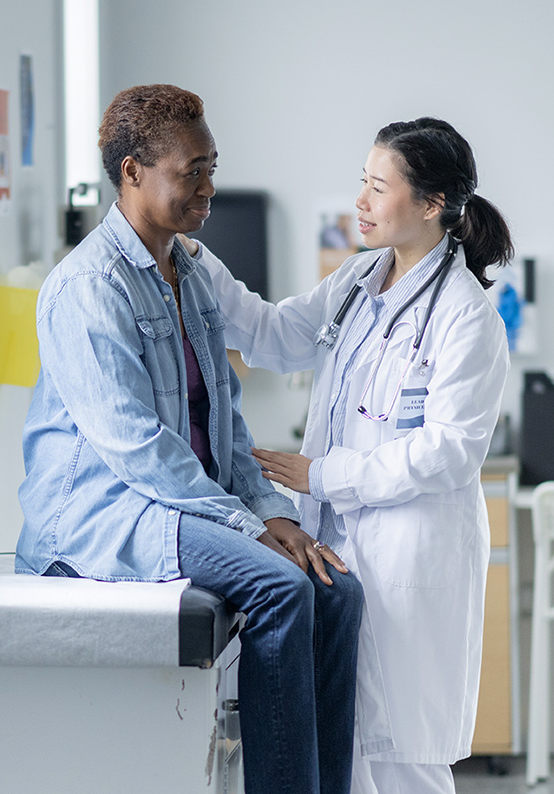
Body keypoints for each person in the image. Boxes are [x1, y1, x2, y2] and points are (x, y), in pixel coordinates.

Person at [14, 84, 363, 794]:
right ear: (133, 171)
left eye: (212, 167)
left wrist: (272, 513)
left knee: (337, 591)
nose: (208, 188)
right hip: (102, 515)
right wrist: (250, 529)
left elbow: (226, 419)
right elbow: (136, 446)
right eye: (190, 172)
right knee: (279, 588)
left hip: (176, 507)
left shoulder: (192, 273)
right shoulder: (87, 287)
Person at [185, 117, 513, 794]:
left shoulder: (465, 315)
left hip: (407, 559)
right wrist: (190, 257)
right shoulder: (361, 278)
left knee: (402, 758)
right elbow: (272, 335)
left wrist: (325, 476)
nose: (359, 202)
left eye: (377, 187)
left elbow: (449, 451)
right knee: (350, 748)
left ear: (429, 204)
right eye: (361, 183)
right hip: (339, 548)